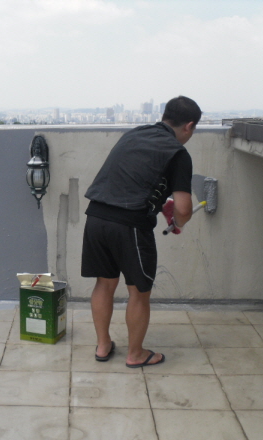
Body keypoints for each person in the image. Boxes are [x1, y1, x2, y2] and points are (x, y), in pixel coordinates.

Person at [81, 95, 201, 367]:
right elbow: (184, 210)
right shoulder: (178, 153)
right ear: (189, 126)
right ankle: (135, 354)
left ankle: (103, 345)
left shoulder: (134, 135)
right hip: (130, 226)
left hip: (96, 216)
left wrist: (161, 206)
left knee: (104, 283)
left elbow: (132, 180)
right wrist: (178, 221)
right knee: (138, 291)